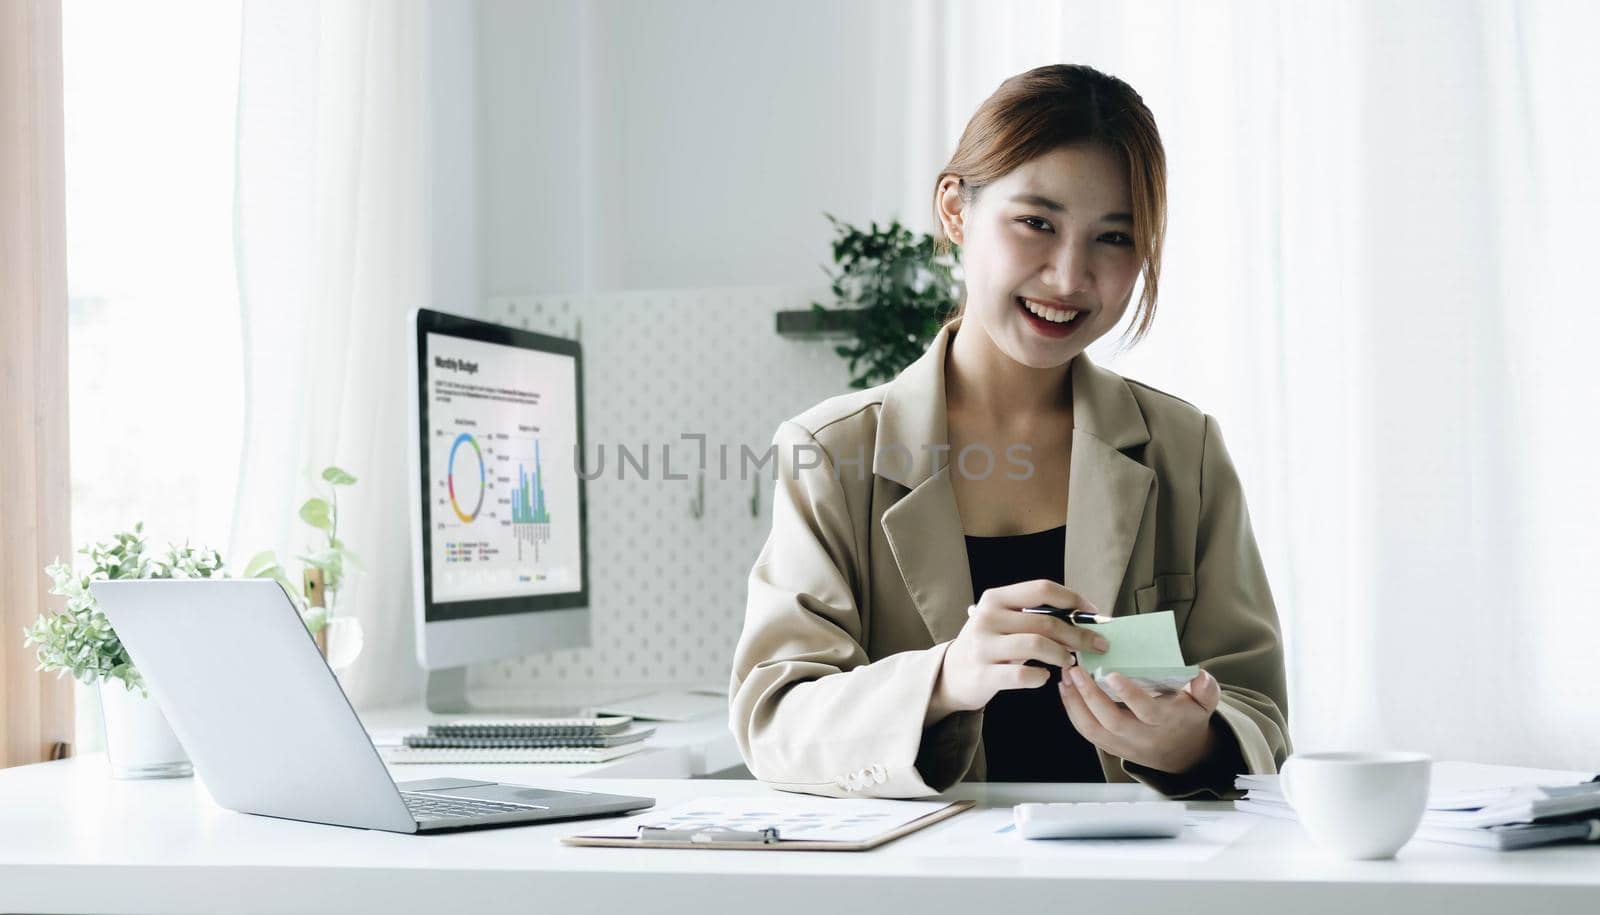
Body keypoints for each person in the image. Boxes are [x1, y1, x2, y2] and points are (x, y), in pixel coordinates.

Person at [729, 64, 1288, 799]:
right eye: (1037, 223)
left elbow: (1258, 708)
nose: (1068, 276)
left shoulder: (1187, 451)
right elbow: (774, 717)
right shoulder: (832, 454)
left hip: (1143, 883)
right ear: (956, 211)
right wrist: (945, 677)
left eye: (1113, 237)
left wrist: (1193, 742)